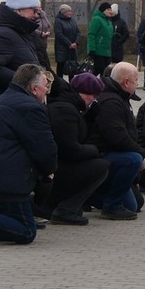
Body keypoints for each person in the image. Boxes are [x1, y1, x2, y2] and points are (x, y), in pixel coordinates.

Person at [0, 64, 56, 245]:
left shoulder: (1, 100)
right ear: (34, 89)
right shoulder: (31, 108)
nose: (46, 93)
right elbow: (46, 150)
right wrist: (48, 174)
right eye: (45, 88)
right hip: (6, 182)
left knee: (6, 218)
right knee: (26, 231)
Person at [43, 72, 110, 225]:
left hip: (58, 165)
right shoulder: (65, 110)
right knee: (101, 166)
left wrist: (90, 117)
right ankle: (66, 209)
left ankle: (67, 206)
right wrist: (93, 151)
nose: (93, 99)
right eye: (91, 95)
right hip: (56, 167)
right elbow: (69, 149)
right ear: (80, 93)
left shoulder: (72, 107)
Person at [86, 63, 145, 220]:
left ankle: (98, 196)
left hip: (111, 153)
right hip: (103, 154)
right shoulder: (111, 102)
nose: (137, 84)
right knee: (134, 159)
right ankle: (111, 205)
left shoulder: (120, 97)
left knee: (136, 204)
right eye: (136, 80)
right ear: (126, 82)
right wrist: (139, 153)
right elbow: (117, 137)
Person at [87, 2, 115, 77]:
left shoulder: (108, 21)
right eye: (108, 9)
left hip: (107, 51)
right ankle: (87, 83)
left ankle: (103, 87)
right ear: (103, 10)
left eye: (111, 9)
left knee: (106, 72)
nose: (110, 11)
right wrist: (91, 49)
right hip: (98, 51)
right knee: (98, 69)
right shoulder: (97, 19)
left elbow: (107, 35)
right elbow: (91, 34)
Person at [54, 4, 80, 80]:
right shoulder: (58, 21)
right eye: (68, 11)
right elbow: (59, 34)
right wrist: (69, 44)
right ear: (63, 12)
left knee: (72, 68)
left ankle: (71, 85)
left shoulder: (72, 20)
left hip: (72, 49)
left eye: (70, 11)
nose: (70, 13)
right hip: (62, 49)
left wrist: (76, 42)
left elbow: (78, 32)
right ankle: (60, 85)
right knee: (61, 68)